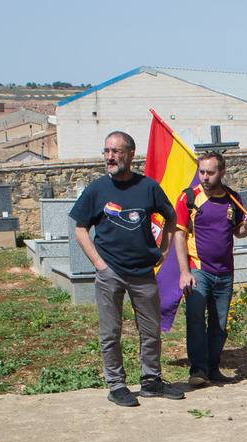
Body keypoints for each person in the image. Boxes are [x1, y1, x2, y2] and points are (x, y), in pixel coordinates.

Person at [70, 131, 183, 407]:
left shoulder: (149, 187)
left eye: (116, 151)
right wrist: (99, 263)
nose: (110, 156)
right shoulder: (96, 190)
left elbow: (171, 218)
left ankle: (151, 382)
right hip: (111, 273)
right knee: (111, 331)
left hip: (143, 272)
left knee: (151, 329)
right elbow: (80, 227)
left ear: (131, 154)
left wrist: (164, 250)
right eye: (107, 151)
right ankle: (117, 385)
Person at [171, 152, 247, 386]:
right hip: (198, 269)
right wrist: (183, 271)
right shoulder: (188, 198)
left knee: (219, 324)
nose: (205, 177)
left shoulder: (233, 199)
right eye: (202, 172)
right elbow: (178, 234)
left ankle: (213, 367)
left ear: (222, 172)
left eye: (210, 173)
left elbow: (237, 231)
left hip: (225, 271)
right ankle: (198, 370)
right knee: (196, 320)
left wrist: (246, 228)